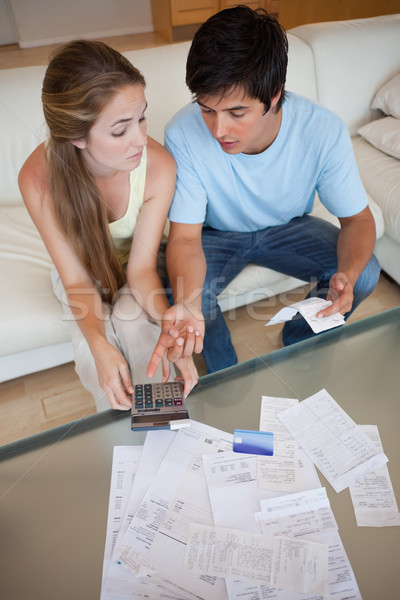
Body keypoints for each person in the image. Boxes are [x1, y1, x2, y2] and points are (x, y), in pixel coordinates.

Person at [150, 5, 380, 374]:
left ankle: (299, 340)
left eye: (236, 113)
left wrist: (347, 278)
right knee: (185, 292)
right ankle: (224, 373)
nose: (218, 129)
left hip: (289, 227)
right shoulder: (182, 133)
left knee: (366, 270)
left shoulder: (322, 130)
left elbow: (357, 220)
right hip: (214, 235)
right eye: (207, 109)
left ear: (273, 96)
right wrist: (190, 303)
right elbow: (185, 240)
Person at [19, 39, 198, 411]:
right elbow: (76, 281)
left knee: (134, 324)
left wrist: (169, 324)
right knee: (92, 352)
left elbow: (142, 270)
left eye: (142, 118)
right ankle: (122, 446)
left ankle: (164, 428)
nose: (140, 140)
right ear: (77, 137)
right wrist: (100, 346)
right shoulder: (38, 179)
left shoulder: (158, 167)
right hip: (79, 275)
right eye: (120, 130)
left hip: (138, 267)